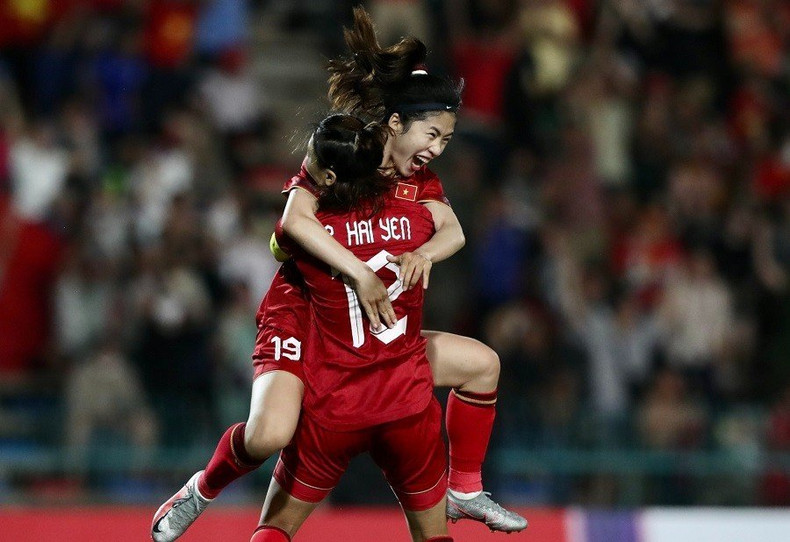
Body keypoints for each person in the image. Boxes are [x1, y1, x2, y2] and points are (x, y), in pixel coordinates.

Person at [151, 8, 527, 541]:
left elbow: (453, 230)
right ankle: (201, 489)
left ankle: (465, 490)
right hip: (303, 313)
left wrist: (425, 254)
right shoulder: (343, 150)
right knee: (268, 434)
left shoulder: (418, 181)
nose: (437, 150)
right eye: (433, 135)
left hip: (368, 334)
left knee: (483, 364)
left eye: (446, 140)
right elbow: (289, 226)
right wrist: (357, 273)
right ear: (395, 124)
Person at [252, 112, 452, 541]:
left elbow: (283, 237)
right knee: (485, 364)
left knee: (276, 526)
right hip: (404, 401)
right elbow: (453, 232)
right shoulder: (417, 219)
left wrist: (308, 185)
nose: (435, 148)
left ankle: (205, 487)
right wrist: (424, 254)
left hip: (336, 404)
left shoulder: (311, 232)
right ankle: (469, 485)